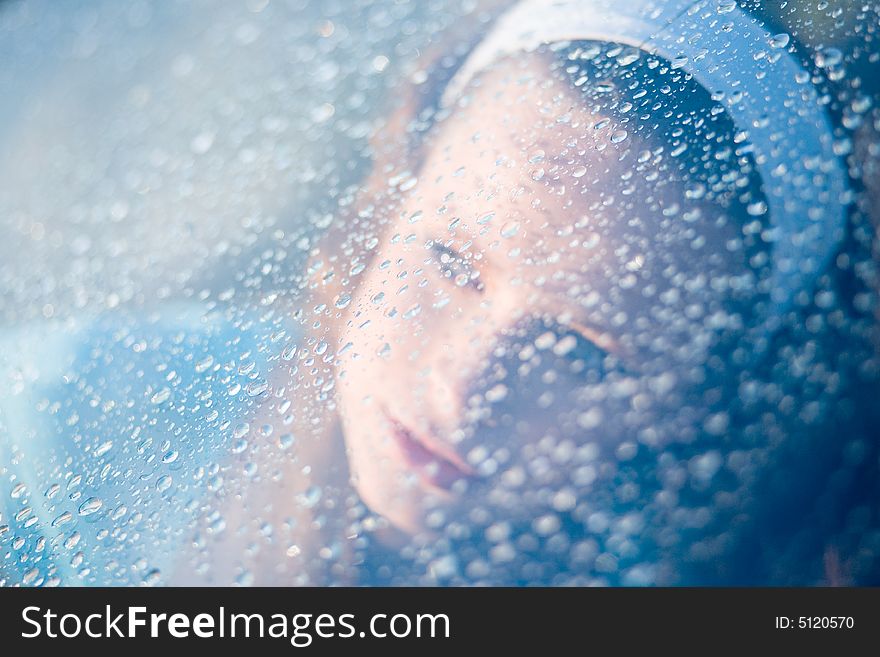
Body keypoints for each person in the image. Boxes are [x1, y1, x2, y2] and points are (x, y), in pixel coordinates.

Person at [2, 0, 877, 587]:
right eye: (454, 262)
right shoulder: (57, 428)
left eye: (584, 348)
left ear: (692, 404)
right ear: (389, 208)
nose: (470, 386)